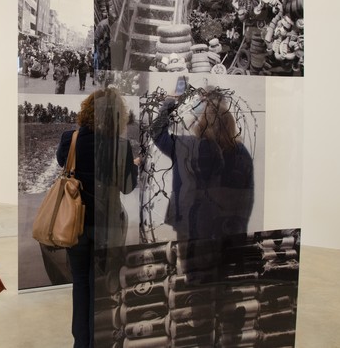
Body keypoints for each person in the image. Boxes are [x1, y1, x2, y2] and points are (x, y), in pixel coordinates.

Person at [56, 88, 138, 348]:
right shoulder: (122, 146)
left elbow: (62, 162)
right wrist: (133, 165)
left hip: (75, 226)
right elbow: (126, 187)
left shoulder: (71, 137)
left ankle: (81, 343)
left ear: (88, 110)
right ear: (118, 115)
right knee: (101, 289)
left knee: (80, 284)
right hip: (107, 227)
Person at [150, 86, 254, 242]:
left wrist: (170, 102)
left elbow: (157, 133)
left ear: (202, 124)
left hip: (191, 230)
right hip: (227, 230)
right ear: (230, 122)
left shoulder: (189, 147)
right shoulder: (241, 152)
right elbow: (247, 196)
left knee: (191, 264)